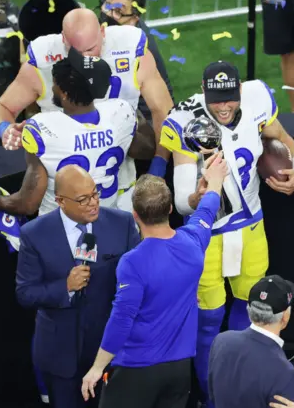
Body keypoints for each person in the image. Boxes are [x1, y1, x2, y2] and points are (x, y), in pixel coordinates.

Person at [168, 60, 294, 408]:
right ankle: (212, 397)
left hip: (251, 227)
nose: (225, 106)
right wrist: (201, 194)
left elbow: (282, 137)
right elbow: (183, 203)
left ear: (241, 89)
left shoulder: (257, 96)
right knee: (208, 323)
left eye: (230, 97)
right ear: (202, 91)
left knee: (251, 316)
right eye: (216, 100)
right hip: (208, 236)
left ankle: (242, 382)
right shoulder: (184, 120)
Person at [0, 8, 176, 209]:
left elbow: (163, 110)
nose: (82, 59)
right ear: (63, 40)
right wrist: (6, 129)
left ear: (103, 33)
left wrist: (158, 166)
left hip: (116, 189)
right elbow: (3, 107)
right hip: (66, 197)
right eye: (75, 51)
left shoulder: (131, 51)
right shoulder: (42, 62)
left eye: (89, 50)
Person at [81, 157, 226, 408]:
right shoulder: (193, 243)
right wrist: (214, 182)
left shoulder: (132, 262)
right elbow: (208, 208)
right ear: (170, 209)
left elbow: (122, 319)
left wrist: (97, 367)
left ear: (135, 214)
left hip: (136, 370)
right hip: (179, 371)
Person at [15, 165, 141, 408]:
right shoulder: (35, 234)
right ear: (61, 201)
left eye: (95, 194)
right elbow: (25, 293)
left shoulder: (121, 224)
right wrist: (65, 287)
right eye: (83, 199)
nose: (93, 203)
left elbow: (138, 281)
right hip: (60, 355)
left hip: (110, 352)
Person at [0, 47, 154, 217]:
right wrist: (135, 116)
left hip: (59, 228)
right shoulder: (120, 112)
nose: (52, 88)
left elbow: (27, 204)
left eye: (55, 84)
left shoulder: (42, 129)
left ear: (64, 93)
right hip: (107, 219)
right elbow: (146, 150)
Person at [208, 275, 294, 408]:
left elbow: (212, 394)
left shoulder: (221, 341)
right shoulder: (284, 371)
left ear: (248, 309)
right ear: (285, 316)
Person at [97, 0, 174, 114]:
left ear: (134, 19)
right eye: (108, 4)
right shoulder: (116, 30)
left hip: (143, 117)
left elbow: (159, 108)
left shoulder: (139, 47)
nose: (108, 13)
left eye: (118, 11)